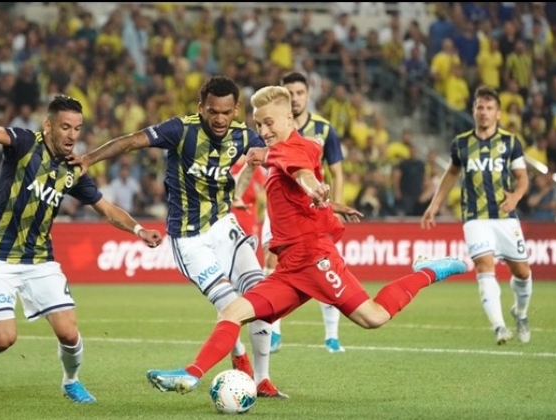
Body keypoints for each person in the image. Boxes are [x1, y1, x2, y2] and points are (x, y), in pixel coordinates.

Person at [144, 85, 467, 397]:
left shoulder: (290, 150)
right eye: (259, 124)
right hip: (290, 268)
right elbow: (300, 170)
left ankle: (429, 271)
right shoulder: (290, 148)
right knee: (232, 312)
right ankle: (191, 375)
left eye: (269, 122)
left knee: (374, 317)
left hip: (315, 259)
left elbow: (301, 173)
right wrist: (323, 198)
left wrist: (314, 187)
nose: (263, 130)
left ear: (289, 118)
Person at [69, 75, 286, 397]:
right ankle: (239, 353)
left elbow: (278, 157)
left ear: (236, 110)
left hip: (223, 226)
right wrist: (88, 158)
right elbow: (132, 140)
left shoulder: (244, 135)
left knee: (260, 298)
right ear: (201, 107)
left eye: (226, 112)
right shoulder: (181, 130)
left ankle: (262, 380)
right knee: (233, 305)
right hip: (189, 238)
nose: (219, 119)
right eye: (213, 111)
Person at [0, 95, 163, 403]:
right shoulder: (26, 143)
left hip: (40, 260)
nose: (72, 135)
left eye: (77, 128)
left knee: (69, 333)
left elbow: (107, 210)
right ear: (48, 126)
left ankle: (71, 382)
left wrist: (139, 229)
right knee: (4, 338)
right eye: (65, 127)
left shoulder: (73, 169)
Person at [241, 71, 347, 354]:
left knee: (324, 264)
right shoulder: (267, 125)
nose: (296, 98)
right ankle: (274, 332)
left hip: (313, 207)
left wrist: (333, 205)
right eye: (291, 93)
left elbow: (336, 172)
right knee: (271, 260)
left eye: (300, 93)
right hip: (279, 207)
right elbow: (255, 162)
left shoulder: (323, 129)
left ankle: (332, 336)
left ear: (308, 95)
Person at [420, 85, 533, 345]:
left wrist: (516, 197)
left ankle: (520, 313)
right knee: (484, 266)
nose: (484, 112)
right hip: (475, 217)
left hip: (504, 216)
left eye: (489, 108)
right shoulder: (461, 143)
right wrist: (434, 205)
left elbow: (522, 177)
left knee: (522, 272)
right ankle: (499, 327)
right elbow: (451, 173)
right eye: (480, 107)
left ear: (498, 114)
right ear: (473, 111)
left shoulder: (510, 142)